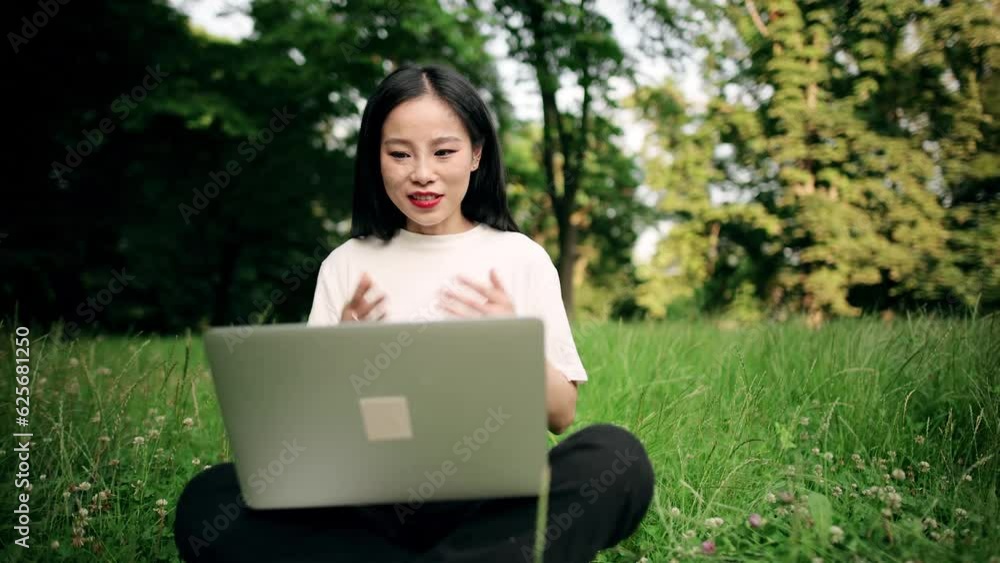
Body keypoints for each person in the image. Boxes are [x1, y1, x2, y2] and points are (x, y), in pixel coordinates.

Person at [173, 63, 654, 562]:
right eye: (399, 154)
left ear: (476, 154)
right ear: (376, 159)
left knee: (617, 459)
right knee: (209, 500)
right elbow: (312, 439)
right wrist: (338, 356)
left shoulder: (521, 257)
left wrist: (511, 342)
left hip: (492, 502)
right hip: (368, 504)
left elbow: (562, 414)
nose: (422, 173)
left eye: (443, 151)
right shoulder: (347, 264)